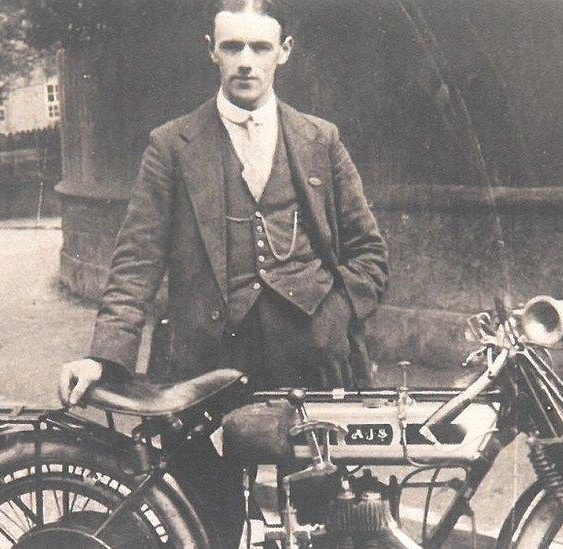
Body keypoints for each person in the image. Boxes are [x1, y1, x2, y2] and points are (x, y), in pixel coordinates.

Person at [58, 0, 388, 545]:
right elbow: (137, 258)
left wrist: (333, 320)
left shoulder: (320, 140)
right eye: (232, 46)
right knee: (204, 518)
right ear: (211, 51)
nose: (245, 62)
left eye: (260, 47)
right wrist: (103, 354)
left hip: (310, 361)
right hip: (205, 360)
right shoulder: (171, 144)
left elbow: (369, 255)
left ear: (283, 53)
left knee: (325, 521)